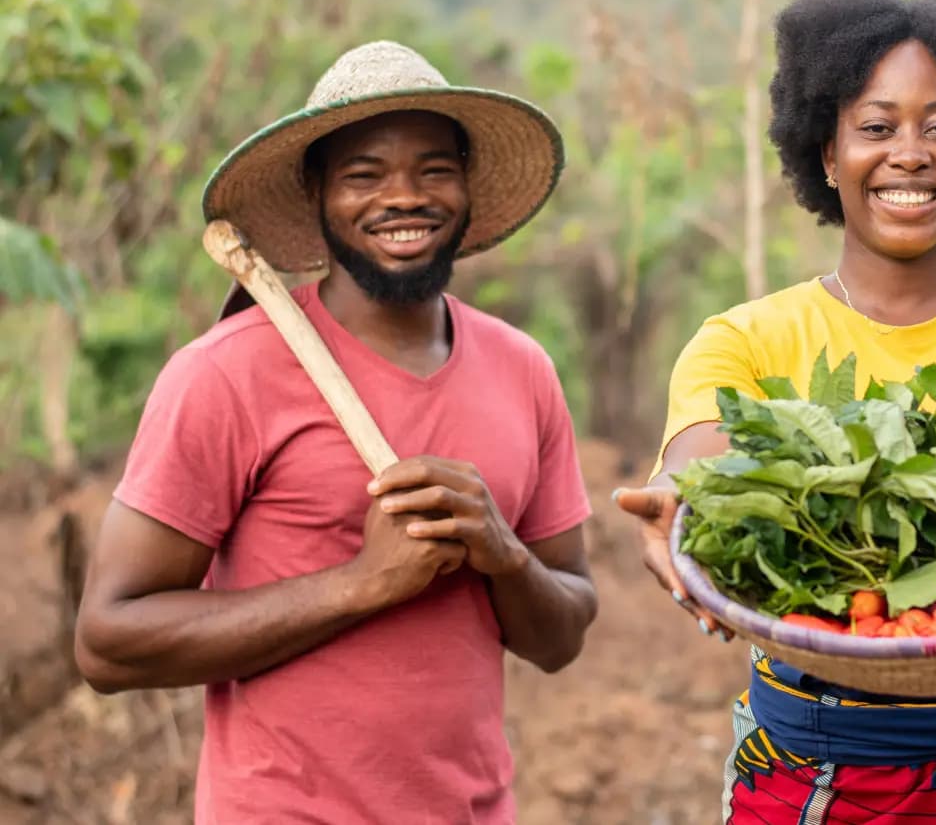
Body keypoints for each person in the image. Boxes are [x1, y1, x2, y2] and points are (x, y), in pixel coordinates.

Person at [616, 0, 936, 822]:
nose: (910, 153)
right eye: (876, 127)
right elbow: (699, 458)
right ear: (826, 152)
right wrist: (680, 504)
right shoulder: (746, 340)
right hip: (811, 774)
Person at [74, 41, 597, 824]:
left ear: (466, 185)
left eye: (433, 169)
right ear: (316, 192)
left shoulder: (523, 369)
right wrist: (361, 583)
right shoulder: (225, 374)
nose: (404, 197)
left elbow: (562, 635)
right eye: (364, 174)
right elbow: (107, 642)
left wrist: (504, 554)